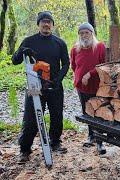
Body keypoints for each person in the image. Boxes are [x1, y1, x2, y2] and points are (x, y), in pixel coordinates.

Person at [12, 11, 70, 163]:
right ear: (38, 24)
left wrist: (59, 79)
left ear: (52, 25)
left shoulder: (59, 43)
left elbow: (66, 63)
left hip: (54, 85)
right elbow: (15, 60)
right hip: (34, 86)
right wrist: (21, 51)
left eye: (49, 22)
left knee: (57, 115)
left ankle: (55, 142)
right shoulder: (29, 41)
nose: (46, 24)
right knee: (31, 118)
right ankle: (24, 149)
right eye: (43, 21)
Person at [70, 22, 106, 155]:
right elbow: (74, 66)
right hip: (81, 86)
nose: (84, 35)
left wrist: (90, 73)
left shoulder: (100, 47)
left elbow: (103, 65)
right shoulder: (75, 49)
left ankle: (100, 140)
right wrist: (80, 76)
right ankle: (91, 135)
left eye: (87, 32)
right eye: (81, 33)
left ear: (92, 33)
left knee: (97, 112)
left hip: (97, 86)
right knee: (86, 111)